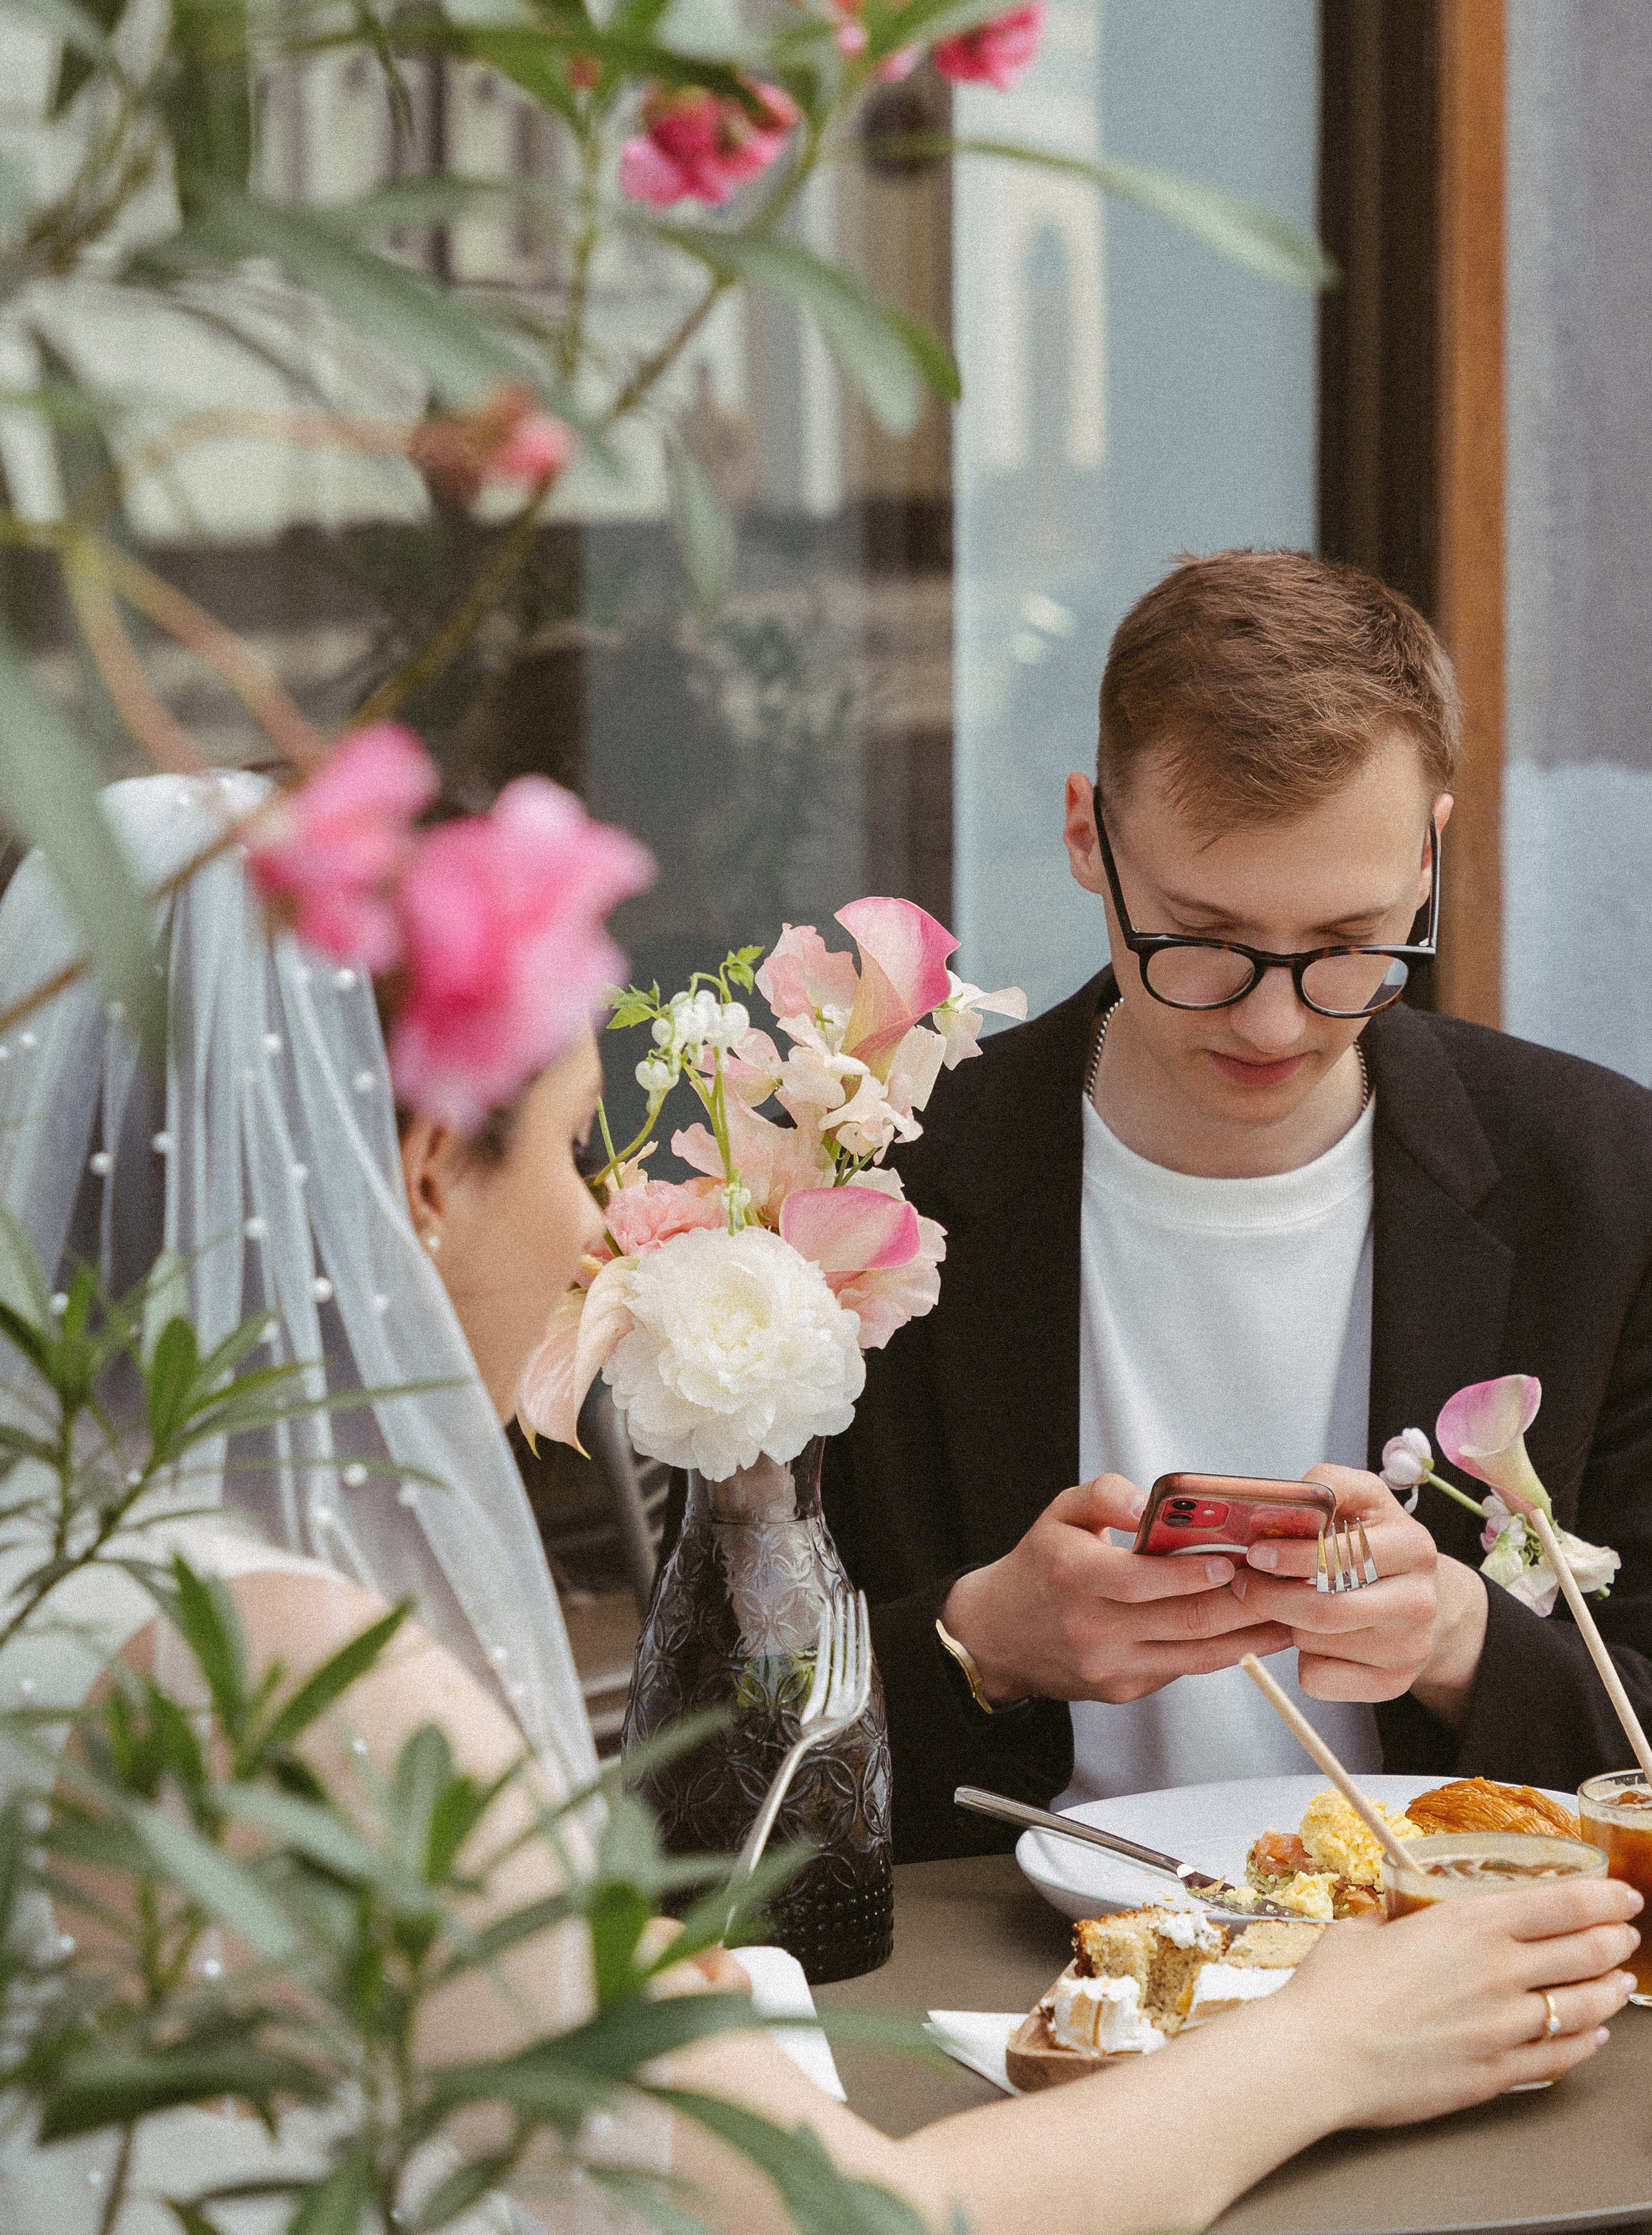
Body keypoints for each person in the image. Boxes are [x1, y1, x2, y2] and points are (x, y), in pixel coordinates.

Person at [0, 767, 1639, 2235]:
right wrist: (1337, 2040)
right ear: (427, 1169)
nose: (592, 1227)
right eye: (574, 1151)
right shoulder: (311, 1676)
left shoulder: (67, 1574)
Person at [823, 551, 1652, 1861]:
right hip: (997, 1994)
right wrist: (973, 1645)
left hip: (1472, 1970)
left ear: (1429, 855)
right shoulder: (877, 1186)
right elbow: (691, 1785)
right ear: (1085, 835)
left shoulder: (1602, 1185)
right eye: (1199, 935)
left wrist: (1461, 1638)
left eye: (1343, 944)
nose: (1272, 1019)